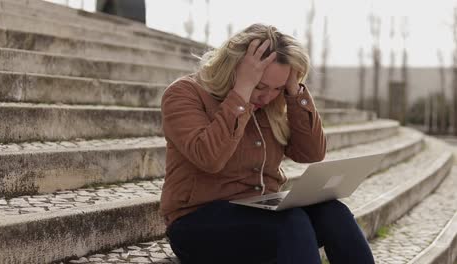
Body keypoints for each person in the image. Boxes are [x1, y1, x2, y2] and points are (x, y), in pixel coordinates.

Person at [159, 23, 375, 264]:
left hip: (263, 216)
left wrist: (294, 95)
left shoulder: (272, 104)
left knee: (334, 212)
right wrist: (242, 92)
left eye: (277, 88)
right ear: (233, 69)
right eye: (260, 86)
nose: (266, 96)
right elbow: (210, 158)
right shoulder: (184, 93)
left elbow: (311, 153)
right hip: (197, 223)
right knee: (291, 221)